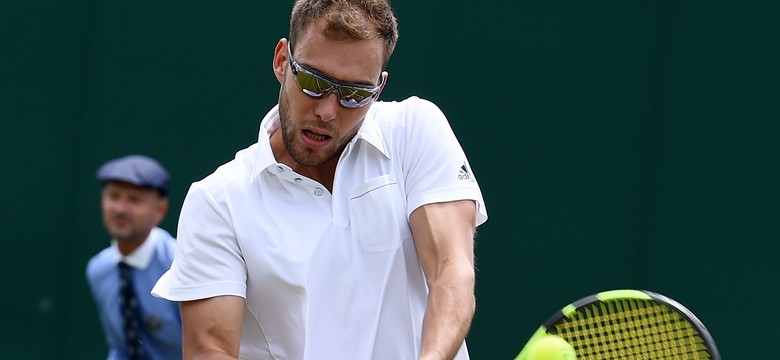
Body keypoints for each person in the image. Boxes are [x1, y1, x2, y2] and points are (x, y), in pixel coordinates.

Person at [152, 0, 487, 359]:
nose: (328, 111)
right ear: (283, 61)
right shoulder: (217, 201)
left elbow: (452, 272)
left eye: (355, 94)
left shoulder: (415, 129)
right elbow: (212, 351)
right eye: (313, 81)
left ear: (379, 88)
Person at [86, 154, 183, 360]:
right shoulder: (98, 269)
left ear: (160, 209)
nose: (120, 209)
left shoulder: (181, 265)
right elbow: (120, 347)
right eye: (113, 196)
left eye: (134, 200)